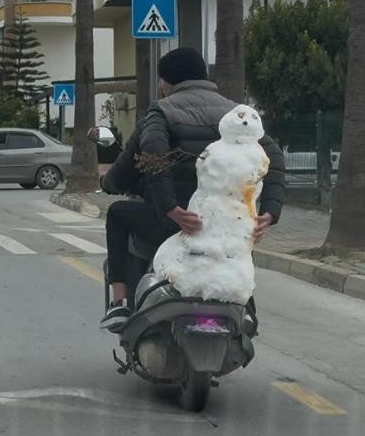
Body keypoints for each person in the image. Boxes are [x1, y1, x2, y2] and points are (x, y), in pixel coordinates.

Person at [96, 47, 286, 332]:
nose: (160, 86)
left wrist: (171, 208)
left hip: (176, 223)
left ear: (168, 81)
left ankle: (120, 303)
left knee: (117, 214)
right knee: (236, 255)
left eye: (161, 80)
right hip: (226, 226)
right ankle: (244, 308)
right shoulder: (235, 115)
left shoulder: (161, 111)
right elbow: (273, 157)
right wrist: (269, 213)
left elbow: (152, 153)